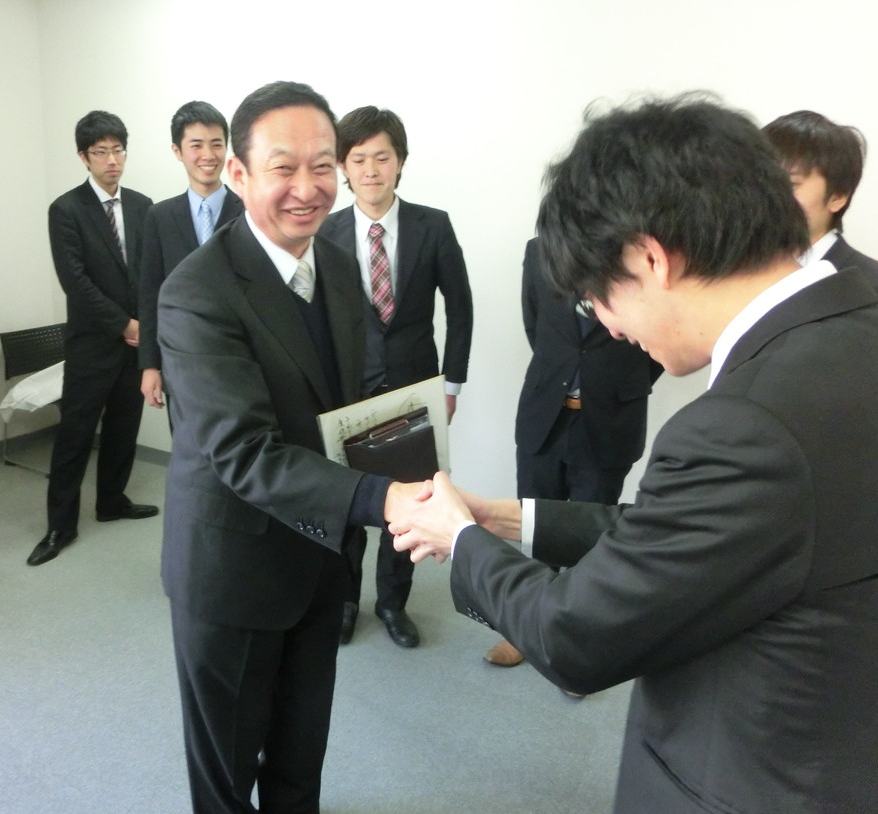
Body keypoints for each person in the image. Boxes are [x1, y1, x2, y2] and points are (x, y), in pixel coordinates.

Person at [390, 95, 878, 813]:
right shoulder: (854, 314)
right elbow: (699, 537)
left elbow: (572, 637)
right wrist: (504, 518)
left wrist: (459, 539)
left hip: (754, 775)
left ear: (650, 258)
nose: (610, 328)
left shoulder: (740, 425)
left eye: (599, 297)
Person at [157, 81, 421, 814]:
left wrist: (413, 465)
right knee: (226, 772)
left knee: (301, 754)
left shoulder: (334, 264)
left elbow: (350, 405)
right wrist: (387, 499)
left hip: (320, 556)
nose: (308, 188)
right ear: (238, 174)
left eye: (323, 165)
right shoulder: (197, 292)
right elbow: (245, 452)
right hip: (233, 568)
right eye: (283, 167)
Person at [319, 106, 473, 648]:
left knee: (408, 506)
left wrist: (451, 385)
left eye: (382, 157)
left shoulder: (434, 225)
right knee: (346, 503)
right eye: (358, 158)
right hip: (347, 392)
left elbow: (460, 307)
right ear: (343, 166)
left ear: (400, 162)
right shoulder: (326, 231)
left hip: (416, 389)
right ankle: (344, 601)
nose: (371, 169)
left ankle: (391, 603)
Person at [485, 236, 661, 667]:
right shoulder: (540, 252)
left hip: (609, 419)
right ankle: (525, 630)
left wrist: (618, 382)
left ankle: (576, 647)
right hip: (546, 412)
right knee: (532, 523)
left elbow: (656, 343)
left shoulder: (645, 257)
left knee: (591, 537)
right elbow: (535, 324)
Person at [27, 111, 157, 567]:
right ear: (84, 157)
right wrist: (124, 324)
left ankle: (112, 501)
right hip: (91, 344)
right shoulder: (66, 209)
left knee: (124, 428)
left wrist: (145, 324)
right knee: (75, 436)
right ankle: (59, 526)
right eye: (101, 152)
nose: (112, 160)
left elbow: (149, 273)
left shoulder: (143, 206)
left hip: (136, 345)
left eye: (118, 150)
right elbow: (75, 281)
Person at [137, 100, 243, 411]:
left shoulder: (249, 212)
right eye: (196, 145)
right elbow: (150, 294)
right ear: (178, 151)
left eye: (216, 144)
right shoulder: (159, 216)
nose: (208, 155)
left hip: (242, 360)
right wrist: (150, 365)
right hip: (181, 362)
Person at [763, 110, 878, 278]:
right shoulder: (732, 273)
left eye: (791, 184)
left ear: (837, 197)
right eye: (762, 181)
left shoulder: (870, 284)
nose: (769, 195)